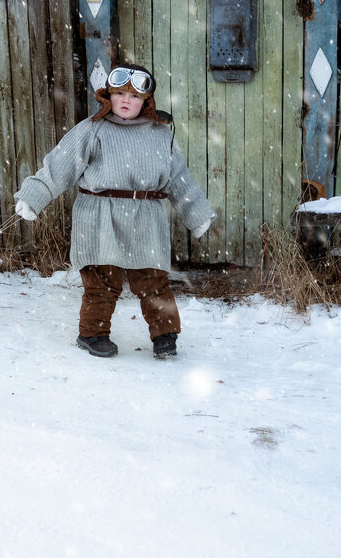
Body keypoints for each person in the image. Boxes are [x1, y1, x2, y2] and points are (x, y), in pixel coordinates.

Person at [13, 64, 215, 359]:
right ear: (108, 95)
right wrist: (33, 196)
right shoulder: (92, 129)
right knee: (101, 280)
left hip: (145, 217)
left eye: (133, 96)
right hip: (98, 216)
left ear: (146, 101)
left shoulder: (160, 135)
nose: (125, 100)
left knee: (153, 280)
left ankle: (165, 336)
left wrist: (197, 213)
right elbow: (59, 167)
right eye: (119, 93)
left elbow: (179, 179)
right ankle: (93, 334)